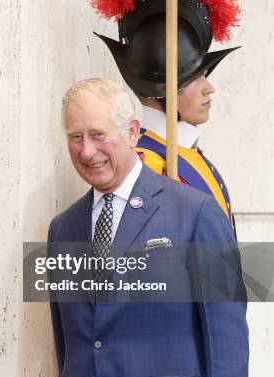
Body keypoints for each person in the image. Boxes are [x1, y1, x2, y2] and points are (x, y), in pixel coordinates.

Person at [48, 78, 248, 377]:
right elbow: (68, 346)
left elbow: (227, 341)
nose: (86, 150)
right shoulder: (62, 229)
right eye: (75, 137)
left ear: (132, 132)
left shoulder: (195, 213)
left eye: (98, 135)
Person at [92, 0, 241, 222]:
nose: (209, 88)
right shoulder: (145, 165)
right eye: (194, 77)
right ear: (161, 88)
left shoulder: (186, 154)